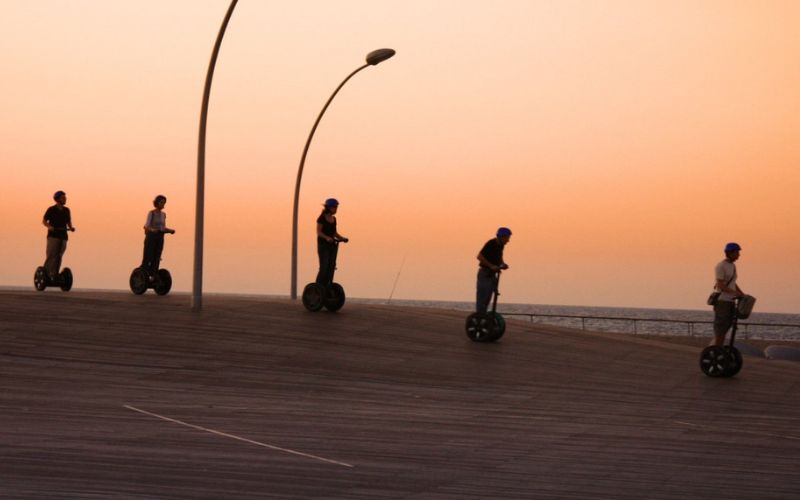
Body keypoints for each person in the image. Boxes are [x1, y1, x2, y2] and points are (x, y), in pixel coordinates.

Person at [711, 242, 745, 347]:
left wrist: (741, 293)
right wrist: (734, 292)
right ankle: (716, 350)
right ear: (730, 253)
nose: (739, 255)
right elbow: (720, 284)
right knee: (721, 328)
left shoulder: (733, 266)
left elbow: (732, 283)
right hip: (722, 301)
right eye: (737, 252)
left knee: (727, 326)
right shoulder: (721, 266)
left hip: (730, 301)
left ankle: (719, 349)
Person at [476, 227, 511, 314]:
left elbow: (499, 257)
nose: (508, 241)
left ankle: (484, 316)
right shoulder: (491, 243)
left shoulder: (501, 245)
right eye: (507, 238)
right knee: (483, 297)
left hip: (492, 274)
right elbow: (479, 257)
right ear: (501, 237)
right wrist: (491, 266)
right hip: (485, 273)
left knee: (489, 296)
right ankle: (479, 317)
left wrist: (502, 264)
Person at [42, 190, 75, 279]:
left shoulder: (67, 210)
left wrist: (71, 228)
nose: (65, 199)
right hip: (53, 236)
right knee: (51, 255)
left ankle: (55, 274)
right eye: (63, 198)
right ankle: (46, 274)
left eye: (65, 197)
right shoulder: (51, 209)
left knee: (59, 255)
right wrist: (49, 227)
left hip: (63, 236)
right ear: (57, 199)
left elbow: (68, 221)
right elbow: (44, 221)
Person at [316, 198, 348, 285]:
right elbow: (319, 232)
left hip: (332, 245)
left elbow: (334, 233)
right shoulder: (321, 218)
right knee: (324, 266)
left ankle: (328, 284)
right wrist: (327, 238)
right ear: (328, 207)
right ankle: (319, 285)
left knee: (332, 266)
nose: (336, 209)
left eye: (336, 207)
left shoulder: (334, 219)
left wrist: (342, 238)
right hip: (323, 246)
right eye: (334, 207)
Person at [141, 195, 175, 276]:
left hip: (160, 237)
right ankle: (144, 272)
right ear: (157, 203)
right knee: (149, 255)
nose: (163, 204)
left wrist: (170, 231)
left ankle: (154, 273)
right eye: (161, 202)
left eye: (164, 203)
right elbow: (146, 226)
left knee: (157, 256)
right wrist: (152, 230)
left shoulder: (163, 214)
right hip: (151, 237)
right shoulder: (151, 213)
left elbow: (162, 228)